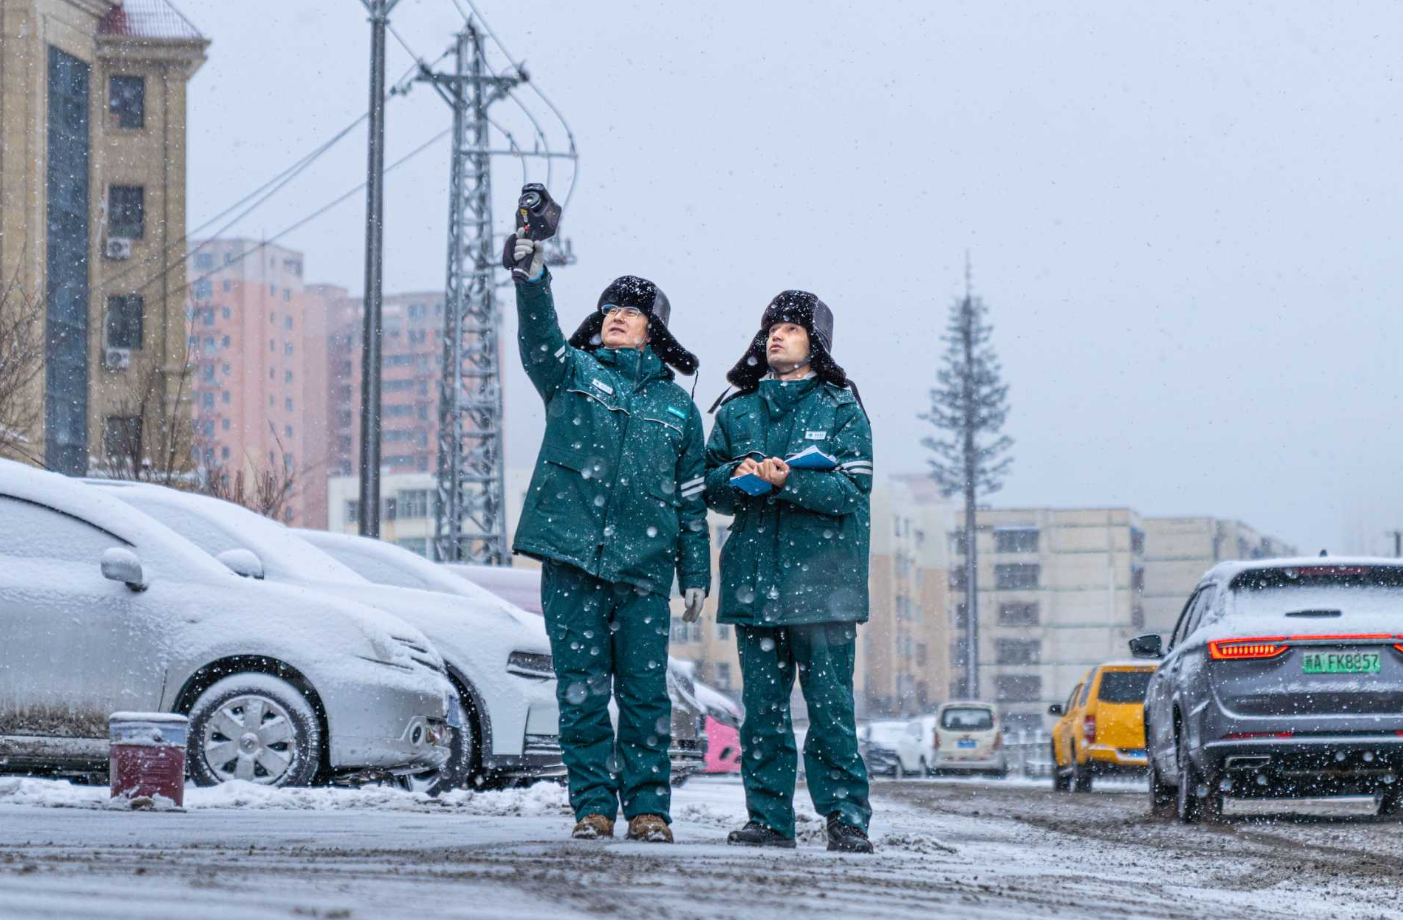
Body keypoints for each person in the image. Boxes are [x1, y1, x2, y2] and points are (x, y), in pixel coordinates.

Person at [508, 236, 709, 843]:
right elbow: (539, 337)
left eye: (632, 310)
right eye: (610, 310)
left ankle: (650, 810)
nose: (617, 316)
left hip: (644, 569)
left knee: (646, 697)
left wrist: (695, 573)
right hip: (572, 562)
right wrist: (532, 277)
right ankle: (592, 807)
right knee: (582, 695)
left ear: (653, 331)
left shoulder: (678, 409)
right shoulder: (571, 375)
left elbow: (691, 501)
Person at [703, 290, 874, 853]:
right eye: (772, 327)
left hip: (824, 589)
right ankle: (769, 820)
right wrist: (737, 474)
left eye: (792, 328)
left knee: (830, 709)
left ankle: (846, 819)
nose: (777, 335)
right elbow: (710, 490)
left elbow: (852, 489)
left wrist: (787, 480)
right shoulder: (736, 410)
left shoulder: (841, 408)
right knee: (764, 713)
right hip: (755, 585)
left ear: (816, 344)